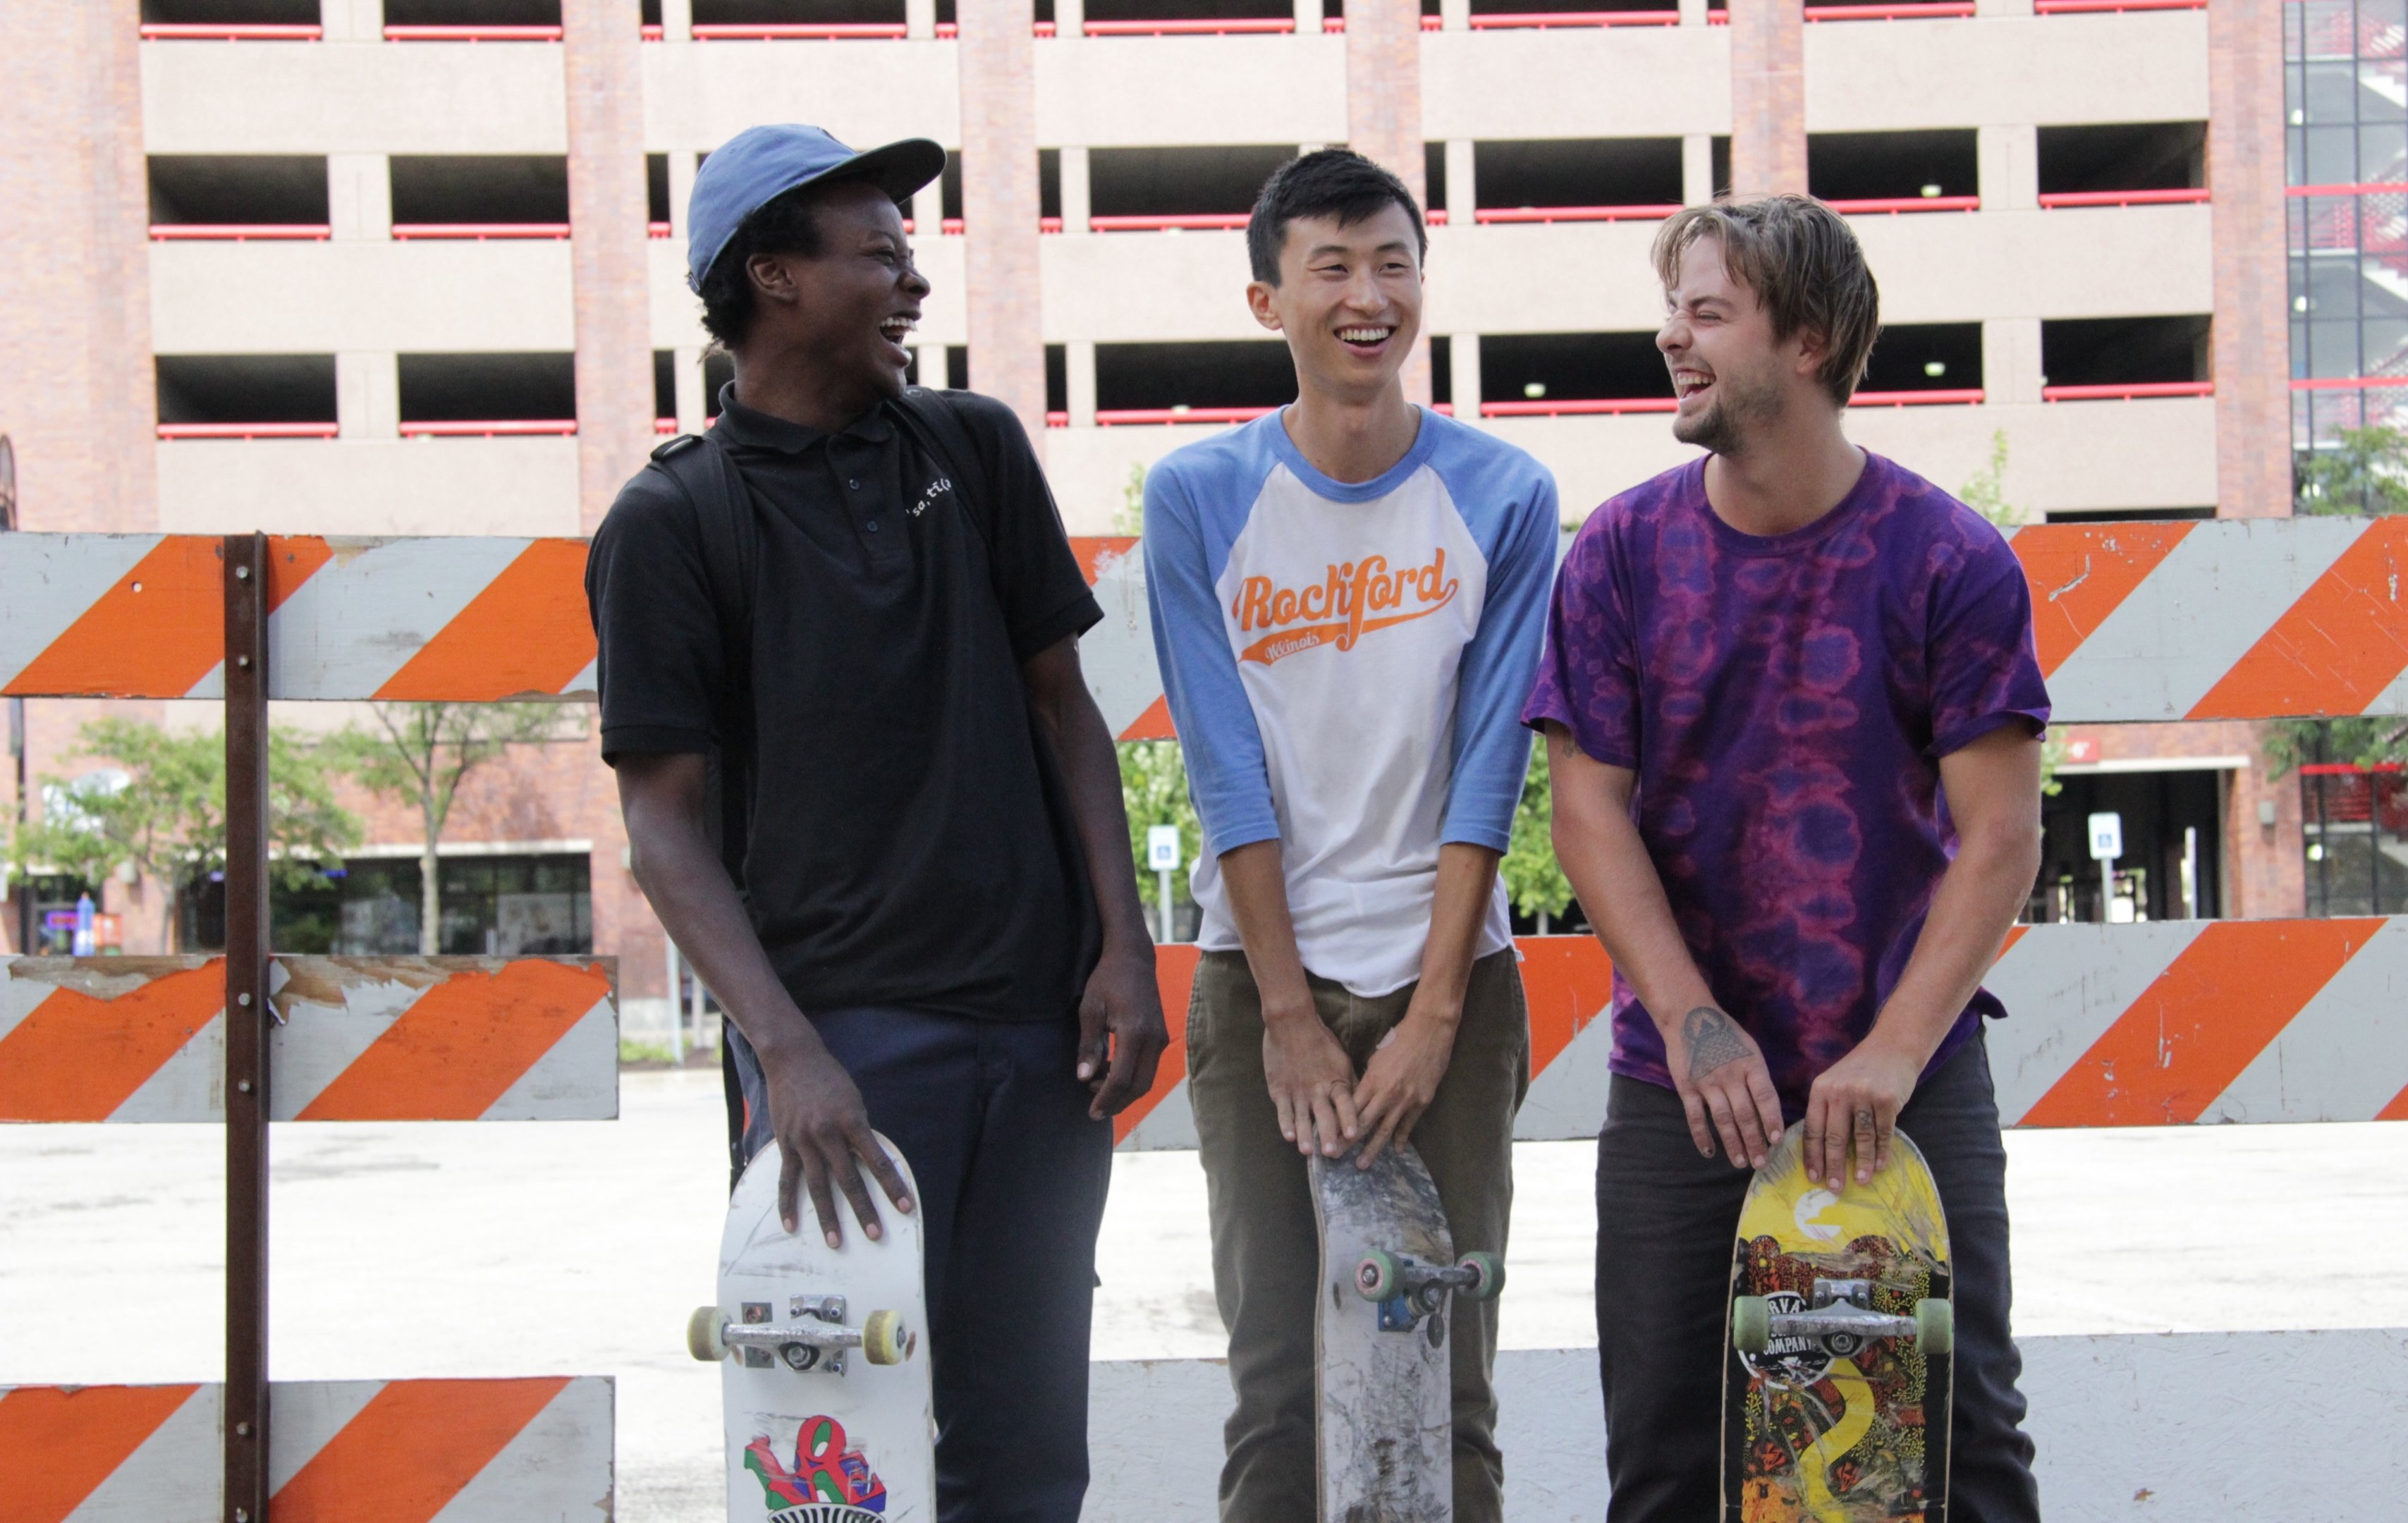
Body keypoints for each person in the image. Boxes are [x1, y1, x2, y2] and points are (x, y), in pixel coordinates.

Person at [585, 123, 1168, 1523]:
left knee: (1027, 1456)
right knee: (837, 1473)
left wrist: (1124, 950)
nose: (913, 281)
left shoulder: (974, 447)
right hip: (844, 1060)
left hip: (1038, 1038)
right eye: (880, 254)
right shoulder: (673, 521)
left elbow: (1065, 710)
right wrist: (786, 1052)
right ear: (773, 276)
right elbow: (661, 830)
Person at [1524, 194, 2049, 1522]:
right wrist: (1691, 1022)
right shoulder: (1620, 553)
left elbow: (2001, 836)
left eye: (1707, 312)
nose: (1671, 338)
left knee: (1959, 1447)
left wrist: (1893, 1052)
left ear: (1808, 341)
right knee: (1666, 1456)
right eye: (1672, 310)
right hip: (1684, 1084)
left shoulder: (1949, 557)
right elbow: (1586, 812)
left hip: (1908, 1074)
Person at [1139, 149, 1559, 1522]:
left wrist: (1436, 1013)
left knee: (1451, 1379)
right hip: (1259, 985)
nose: (1367, 296)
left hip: (1456, 987)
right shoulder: (1198, 496)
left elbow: (1490, 767)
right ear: (1269, 301)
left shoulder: (1506, 494)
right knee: (1276, 1385)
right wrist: (1283, 1011)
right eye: (1332, 267)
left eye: (1393, 264)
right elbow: (1224, 768)